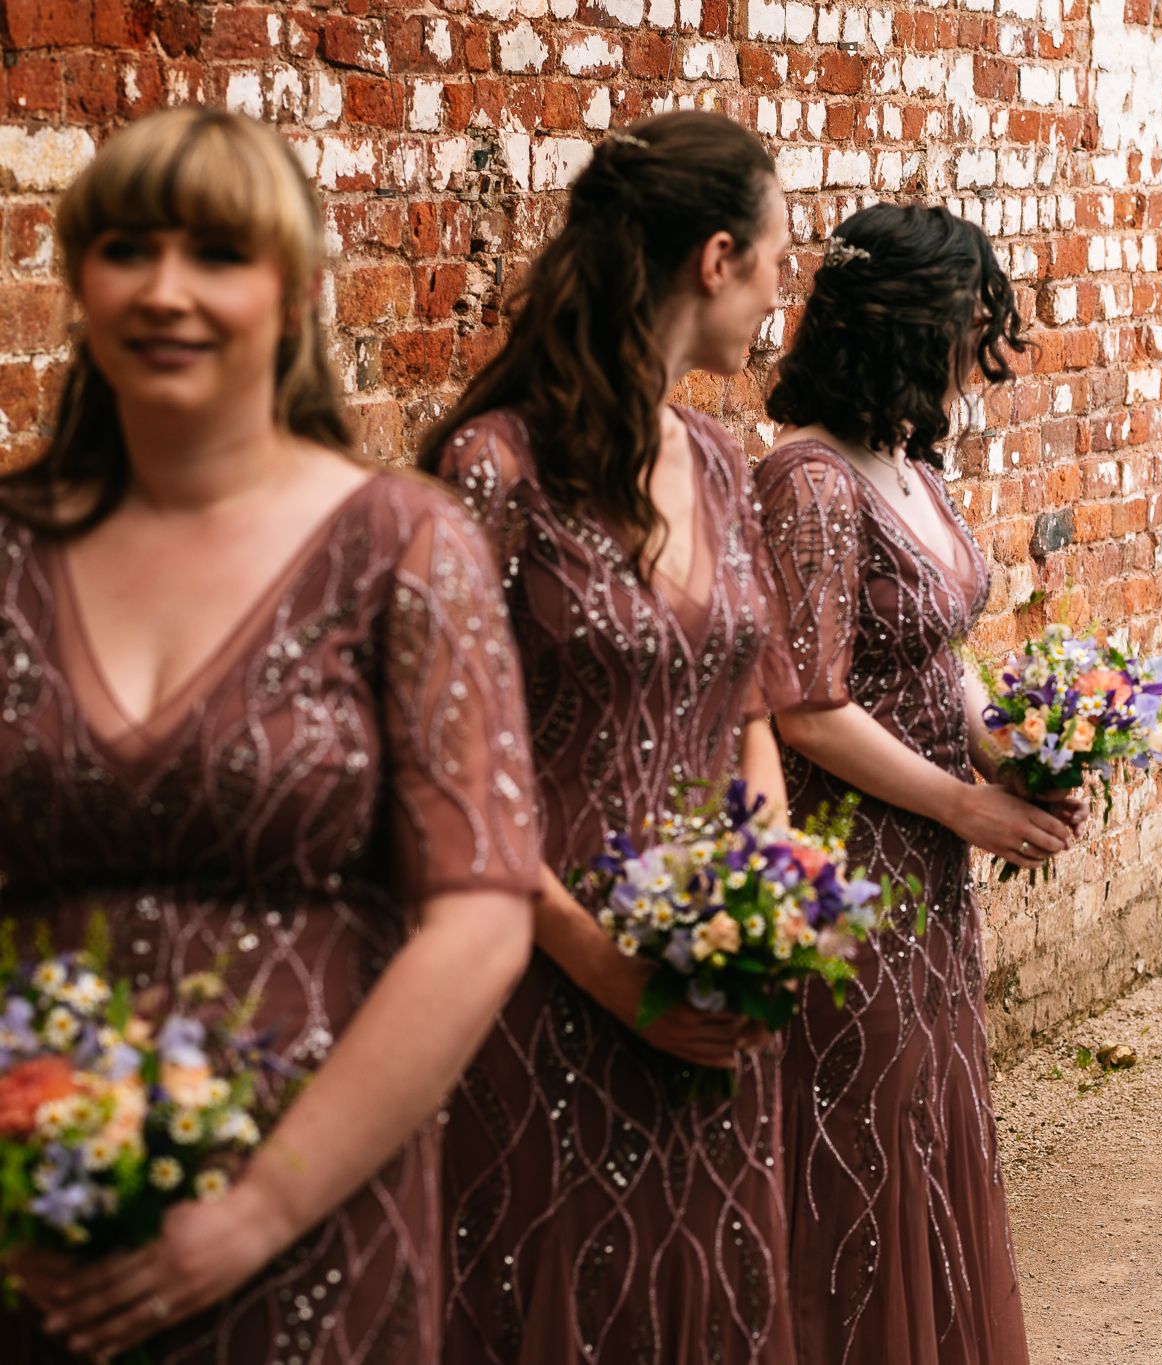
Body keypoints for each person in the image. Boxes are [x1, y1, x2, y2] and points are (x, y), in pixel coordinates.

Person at [0, 107, 538, 1361]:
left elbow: (479, 915)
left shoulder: (402, 545)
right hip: (29, 1215)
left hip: (309, 1221)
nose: (166, 291)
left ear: (293, 292)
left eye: (220, 255)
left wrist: (260, 1211)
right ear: (78, 273)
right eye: (128, 248)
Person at [423, 112, 800, 1364]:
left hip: (710, 976)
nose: (777, 290)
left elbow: (750, 703)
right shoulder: (494, 468)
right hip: (544, 971)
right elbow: (448, 769)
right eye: (775, 256)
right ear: (713, 258)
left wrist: (770, 907)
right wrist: (612, 974)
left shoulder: (718, 458)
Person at [754, 203, 1070, 1364]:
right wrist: (964, 801)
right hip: (846, 854)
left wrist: (1016, 752)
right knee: (853, 1121)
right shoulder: (811, 482)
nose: (980, 354)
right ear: (903, 327)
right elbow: (804, 702)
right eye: (968, 326)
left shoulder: (907, 461)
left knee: (922, 1117)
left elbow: (942, 650)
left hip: (927, 859)